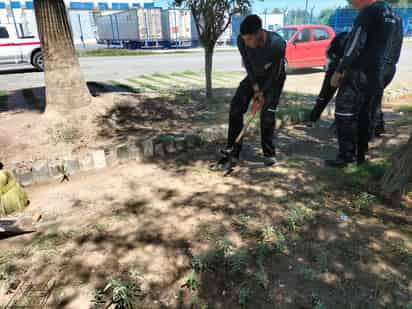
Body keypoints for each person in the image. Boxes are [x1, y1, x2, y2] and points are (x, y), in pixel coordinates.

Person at [327, 0, 397, 168]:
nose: (351, 3)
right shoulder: (390, 13)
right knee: (367, 112)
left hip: (358, 72)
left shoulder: (368, 12)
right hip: (378, 71)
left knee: (344, 112)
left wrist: (340, 70)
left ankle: (346, 156)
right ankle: (361, 154)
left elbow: (354, 45)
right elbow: (394, 45)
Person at [217, 15, 286, 169]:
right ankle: (232, 149)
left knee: (267, 114)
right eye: (244, 39)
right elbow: (248, 64)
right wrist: (255, 89)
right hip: (255, 76)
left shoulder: (277, 44)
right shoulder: (242, 41)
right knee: (236, 106)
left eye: (249, 39)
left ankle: (269, 154)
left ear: (259, 33)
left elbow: (275, 73)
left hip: (274, 79)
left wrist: (262, 94)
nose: (246, 43)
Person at [372, 13, 404, 137]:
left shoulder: (379, 16)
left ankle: (374, 128)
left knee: (372, 99)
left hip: (380, 67)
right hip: (390, 67)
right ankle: (378, 126)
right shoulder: (397, 19)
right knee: (375, 98)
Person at [309, 31, 349, 123]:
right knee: (325, 94)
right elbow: (329, 51)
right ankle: (313, 118)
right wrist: (337, 62)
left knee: (341, 98)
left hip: (346, 71)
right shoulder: (343, 36)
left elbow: (329, 51)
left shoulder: (352, 37)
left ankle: (339, 122)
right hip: (336, 69)